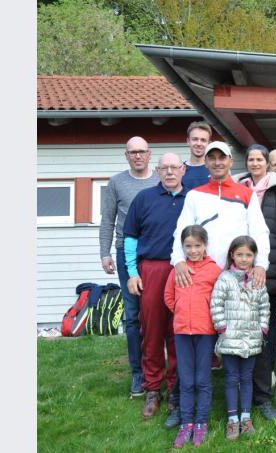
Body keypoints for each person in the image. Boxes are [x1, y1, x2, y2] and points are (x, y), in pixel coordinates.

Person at [123, 153, 187, 426]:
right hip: (152, 270)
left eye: (174, 167)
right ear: (157, 171)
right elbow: (130, 237)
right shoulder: (144, 199)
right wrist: (133, 273)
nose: (170, 172)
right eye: (165, 167)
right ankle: (152, 388)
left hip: (184, 272)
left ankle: (175, 389)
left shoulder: (194, 199)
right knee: (151, 331)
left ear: (183, 170)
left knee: (178, 332)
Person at [234, 144, 276, 421]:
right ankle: (238, 394)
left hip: (271, 273)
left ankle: (263, 396)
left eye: (260, 159)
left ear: (267, 163)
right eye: (251, 159)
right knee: (239, 333)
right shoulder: (238, 189)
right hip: (238, 272)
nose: (255, 163)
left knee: (266, 336)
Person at [99, 136, 158, 397]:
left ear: (149, 154)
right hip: (125, 253)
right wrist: (105, 253)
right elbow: (107, 220)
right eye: (132, 152)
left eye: (141, 152)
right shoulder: (116, 183)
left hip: (156, 253)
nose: (137, 156)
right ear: (126, 155)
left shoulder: (161, 179)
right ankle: (138, 374)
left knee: (157, 314)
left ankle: (161, 370)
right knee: (133, 315)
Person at [171, 141, 270, 291]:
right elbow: (181, 231)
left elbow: (259, 232)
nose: (217, 162)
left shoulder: (247, 194)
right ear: (205, 162)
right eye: (212, 158)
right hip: (200, 271)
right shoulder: (194, 195)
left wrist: (261, 264)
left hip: (237, 272)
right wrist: (178, 260)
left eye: (222, 157)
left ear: (231, 161)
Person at [164, 225, 222, 448]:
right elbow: (168, 296)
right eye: (188, 246)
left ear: (205, 245)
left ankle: (201, 423)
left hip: (205, 332)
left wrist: (205, 316)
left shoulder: (214, 270)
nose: (193, 250)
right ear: (183, 247)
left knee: (202, 380)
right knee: (186, 379)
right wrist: (180, 310)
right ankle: (186, 423)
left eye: (197, 245)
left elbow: (219, 299)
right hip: (182, 332)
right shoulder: (177, 270)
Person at [210, 236, 270, 440]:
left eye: (248, 255)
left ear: (254, 256)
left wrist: (262, 328)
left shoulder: (258, 280)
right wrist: (221, 326)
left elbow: (265, 306)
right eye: (239, 254)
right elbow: (216, 303)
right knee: (231, 378)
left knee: (246, 378)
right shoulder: (225, 278)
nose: (244, 259)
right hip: (230, 338)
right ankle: (232, 419)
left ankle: (246, 417)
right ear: (232, 255)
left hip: (251, 338)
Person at [181, 121, 213, 190]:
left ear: (209, 144)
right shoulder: (179, 170)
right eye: (195, 139)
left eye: (203, 140)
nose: (199, 143)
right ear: (188, 141)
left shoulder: (215, 169)